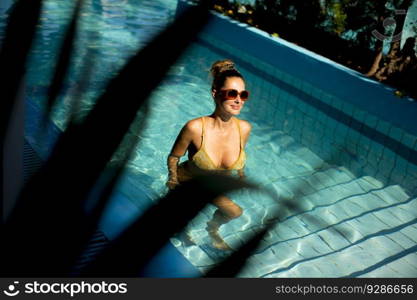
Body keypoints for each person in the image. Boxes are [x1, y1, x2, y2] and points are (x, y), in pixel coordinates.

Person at [166, 59, 252, 250]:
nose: (238, 100)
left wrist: (241, 174)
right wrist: (172, 179)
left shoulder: (244, 129)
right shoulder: (195, 128)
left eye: (243, 95)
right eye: (232, 93)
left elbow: (240, 153)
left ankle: (212, 229)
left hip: (213, 187)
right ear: (215, 93)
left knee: (235, 212)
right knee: (181, 221)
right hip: (188, 182)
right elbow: (174, 157)